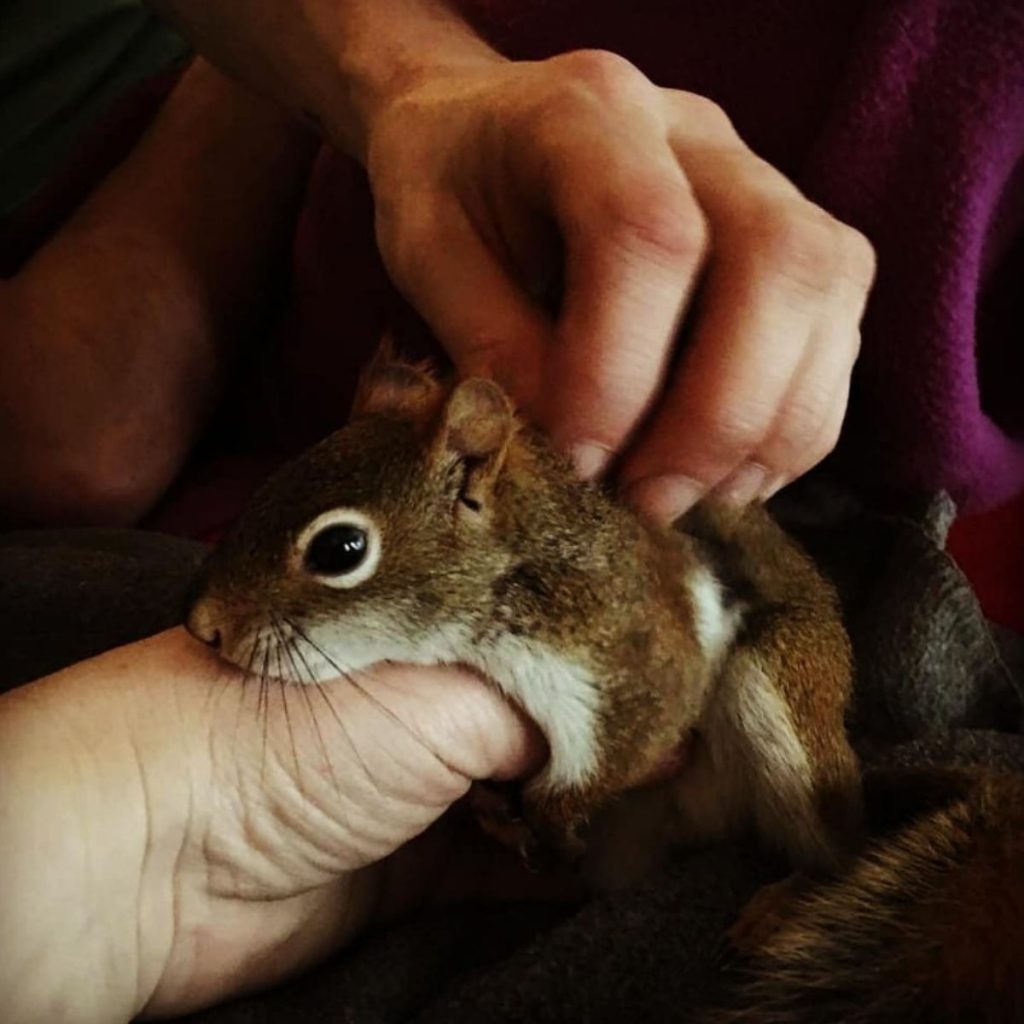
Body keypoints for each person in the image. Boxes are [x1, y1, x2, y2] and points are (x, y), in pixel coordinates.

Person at [2, 2, 1021, 1023]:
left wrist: (564, 795)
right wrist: (389, 73)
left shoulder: (551, 587)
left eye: (342, 554)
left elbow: (631, 707)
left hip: (785, 643)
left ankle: (818, 853)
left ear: (469, 489)